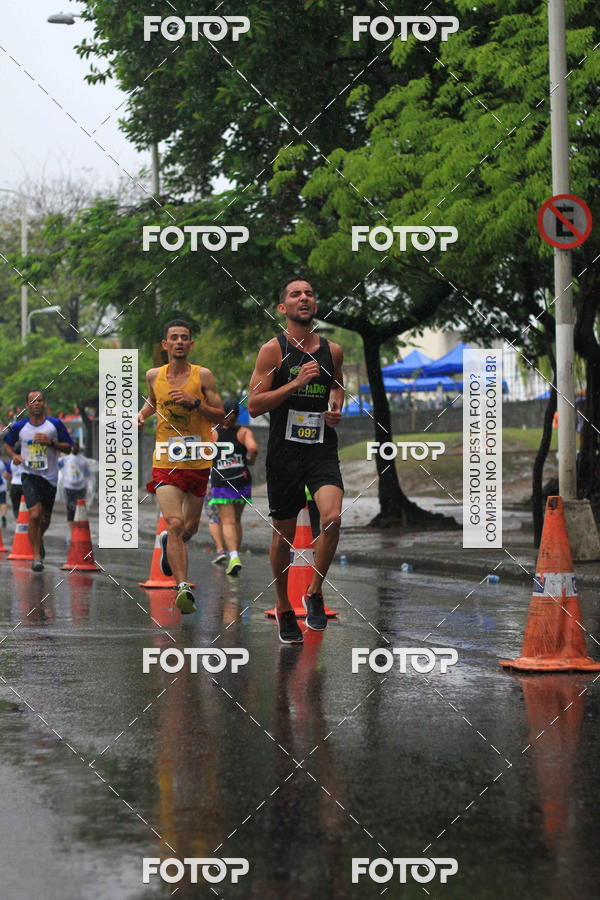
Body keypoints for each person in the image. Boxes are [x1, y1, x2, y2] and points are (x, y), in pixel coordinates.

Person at [248, 277, 344, 643]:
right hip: (284, 453)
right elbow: (255, 406)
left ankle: (315, 592)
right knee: (283, 539)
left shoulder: (332, 351)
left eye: (308, 294)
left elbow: (336, 385)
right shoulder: (273, 351)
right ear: (282, 308)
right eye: (294, 294)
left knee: (332, 518)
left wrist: (336, 407)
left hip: (321, 447)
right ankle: (283, 605)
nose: (303, 298)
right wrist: (294, 384)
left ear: (314, 305)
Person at [138, 319, 224, 614]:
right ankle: (183, 587)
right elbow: (153, 401)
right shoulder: (153, 375)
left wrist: (195, 403)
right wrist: (141, 415)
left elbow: (220, 416)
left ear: (191, 345)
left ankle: (167, 543)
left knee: (189, 529)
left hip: (198, 460)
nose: (178, 342)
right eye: (173, 337)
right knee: (174, 523)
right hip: (165, 459)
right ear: (165, 344)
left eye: (184, 338)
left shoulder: (203, 376)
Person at [3, 391, 73, 571]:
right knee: (34, 514)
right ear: (27, 405)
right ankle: (36, 557)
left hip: (49, 477)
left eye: (39, 400)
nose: (36, 403)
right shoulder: (19, 427)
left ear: (44, 403)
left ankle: (38, 538)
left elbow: (69, 447)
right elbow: (7, 443)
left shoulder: (54, 425)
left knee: (45, 518)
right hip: (29, 476)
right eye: (32, 401)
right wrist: (14, 456)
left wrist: (51, 443)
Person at [208, 398, 258, 576]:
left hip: (222, 481)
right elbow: (253, 448)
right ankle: (234, 555)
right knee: (236, 520)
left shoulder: (213, 432)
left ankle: (234, 556)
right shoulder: (244, 432)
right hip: (242, 479)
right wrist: (249, 460)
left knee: (227, 521)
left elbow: (207, 454)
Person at [58, 442, 91, 530]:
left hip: (72, 487)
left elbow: (57, 466)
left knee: (73, 509)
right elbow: (88, 474)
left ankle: (74, 529)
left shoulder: (66, 459)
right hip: (77, 487)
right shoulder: (82, 460)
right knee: (77, 508)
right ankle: (76, 528)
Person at [205, 485, 228, 565]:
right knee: (230, 519)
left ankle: (220, 550)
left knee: (214, 517)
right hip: (231, 477)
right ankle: (233, 552)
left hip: (213, 480)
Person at [0, 459, 9, 528]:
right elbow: (6, 474)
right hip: (2, 486)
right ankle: (3, 515)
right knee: (3, 502)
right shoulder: (3, 463)